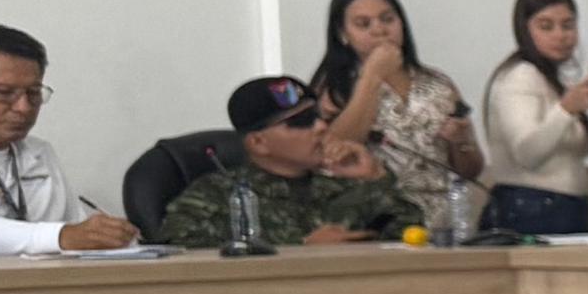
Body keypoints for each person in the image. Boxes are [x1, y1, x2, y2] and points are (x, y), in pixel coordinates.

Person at [0, 24, 135, 256]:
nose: (23, 108)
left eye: (33, 93)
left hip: (37, 286)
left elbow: (75, 231)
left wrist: (107, 237)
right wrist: (61, 237)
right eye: (4, 92)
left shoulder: (39, 153)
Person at [308, 0, 483, 230]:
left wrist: (463, 141)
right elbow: (332, 152)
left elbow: (470, 171)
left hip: (442, 219)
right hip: (377, 215)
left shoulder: (439, 83)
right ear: (343, 34)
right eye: (363, 24)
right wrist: (372, 78)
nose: (379, 30)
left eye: (388, 19)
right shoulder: (333, 86)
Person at [156, 76, 409, 249]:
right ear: (258, 143)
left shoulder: (339, 187)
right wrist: (302, 249)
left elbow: (409, 233)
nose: (321, 127)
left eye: (318, 116)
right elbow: (178, 253)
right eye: (302, 122)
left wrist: (375, 179)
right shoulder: (215, 196)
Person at [478, 0, 588, 237]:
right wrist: (567, 109)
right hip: (530, 209)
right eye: (546, 26)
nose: (561, 35)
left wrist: (584, 108)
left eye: (568, 25)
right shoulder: (521, 76)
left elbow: (578, 149)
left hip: (566, 207)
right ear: (524, 29)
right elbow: (528, 153)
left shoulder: (552, 79)